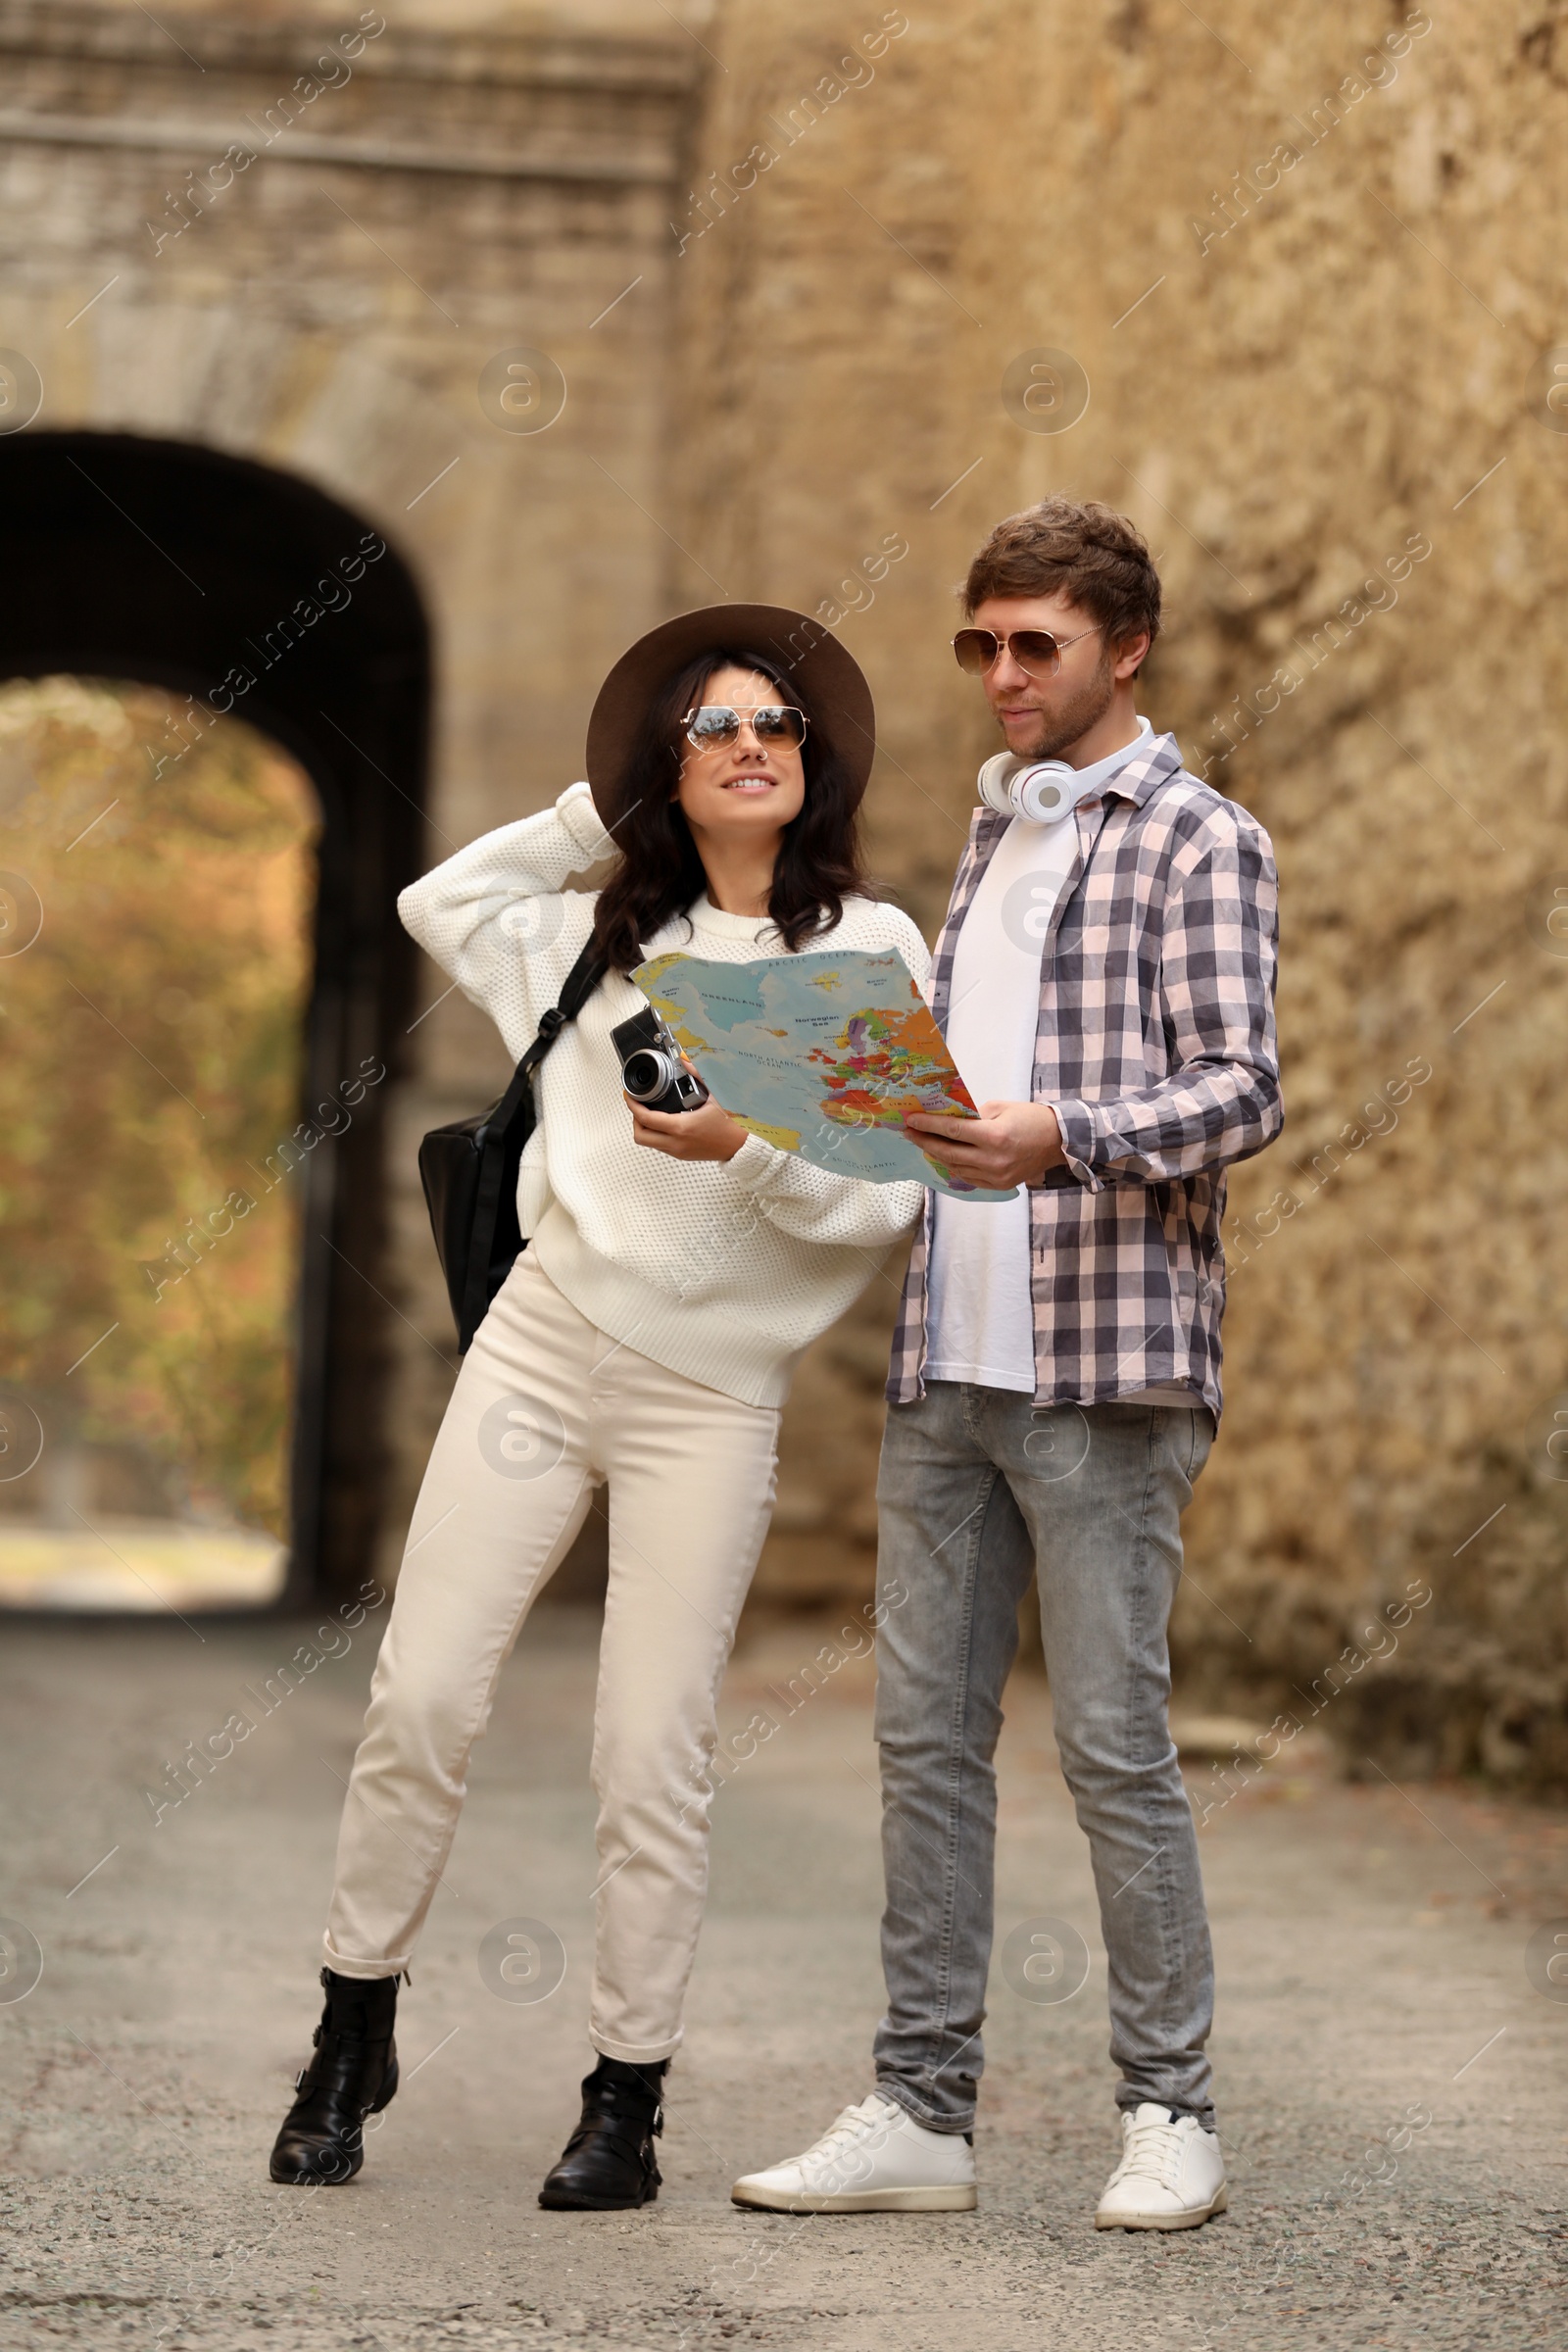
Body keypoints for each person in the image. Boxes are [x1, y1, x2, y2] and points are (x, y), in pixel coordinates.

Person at [268, 606, 930, 2209]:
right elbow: (443, 895)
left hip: (713, 1395)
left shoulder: (865, 955)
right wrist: (592, 808)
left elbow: (886, 1199)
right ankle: (352, 2033)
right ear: (670, 769)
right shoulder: (600, 940)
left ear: (814, 761)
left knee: (652, 1750)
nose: (750, 744)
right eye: (711, 727)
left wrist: (750, 1148)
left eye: (775, 724)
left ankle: (625, 2100)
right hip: (547, 1344)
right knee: (421, 1698)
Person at [732, 500, 1283, 2230]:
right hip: (945, 1361)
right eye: (980, 644)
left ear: (1125, 649)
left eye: (1033, 643)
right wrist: (792, 1106)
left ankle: (1170, 2113)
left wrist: (1066, 1135)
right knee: (922, 1746)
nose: (999, 676)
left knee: (1115, 1746)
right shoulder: (990, 845)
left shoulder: (1204, 840)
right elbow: (938, 1109)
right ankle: (919, 2109)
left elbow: (1242, 1089)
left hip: (1108, 1368)